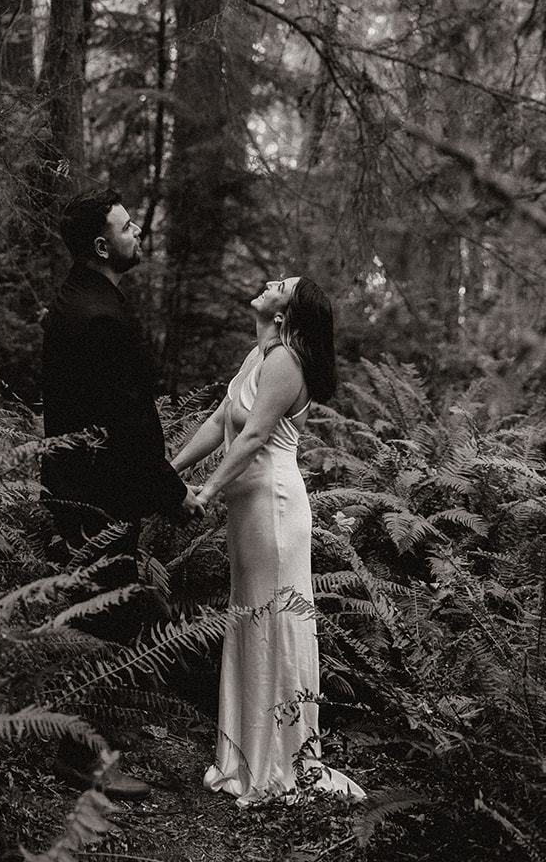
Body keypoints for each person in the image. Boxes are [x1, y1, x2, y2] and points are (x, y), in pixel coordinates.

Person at [172, 275, 365, 806]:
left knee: (271, 620)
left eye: (281, 284)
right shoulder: (260, 354)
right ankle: (247, 754)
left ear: (288, 311)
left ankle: (281, 763)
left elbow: (255, 435)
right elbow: (220, 421)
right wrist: (170, 473)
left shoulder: (286, 361)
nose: (267, 283)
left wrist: (207, 491)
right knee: (250, 615)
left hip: (274, 508)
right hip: (250, 507)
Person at [41, 185, 203, 797]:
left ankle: (89, 744)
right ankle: (83, 760)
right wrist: (172, 492)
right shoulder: (100, 315)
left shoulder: (72, 300)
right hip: (101, 493)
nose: (139, 232)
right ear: (102, 244)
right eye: (129, 226)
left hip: (76, 485)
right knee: (103, 621)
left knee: (97, 613)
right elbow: (128, 420)